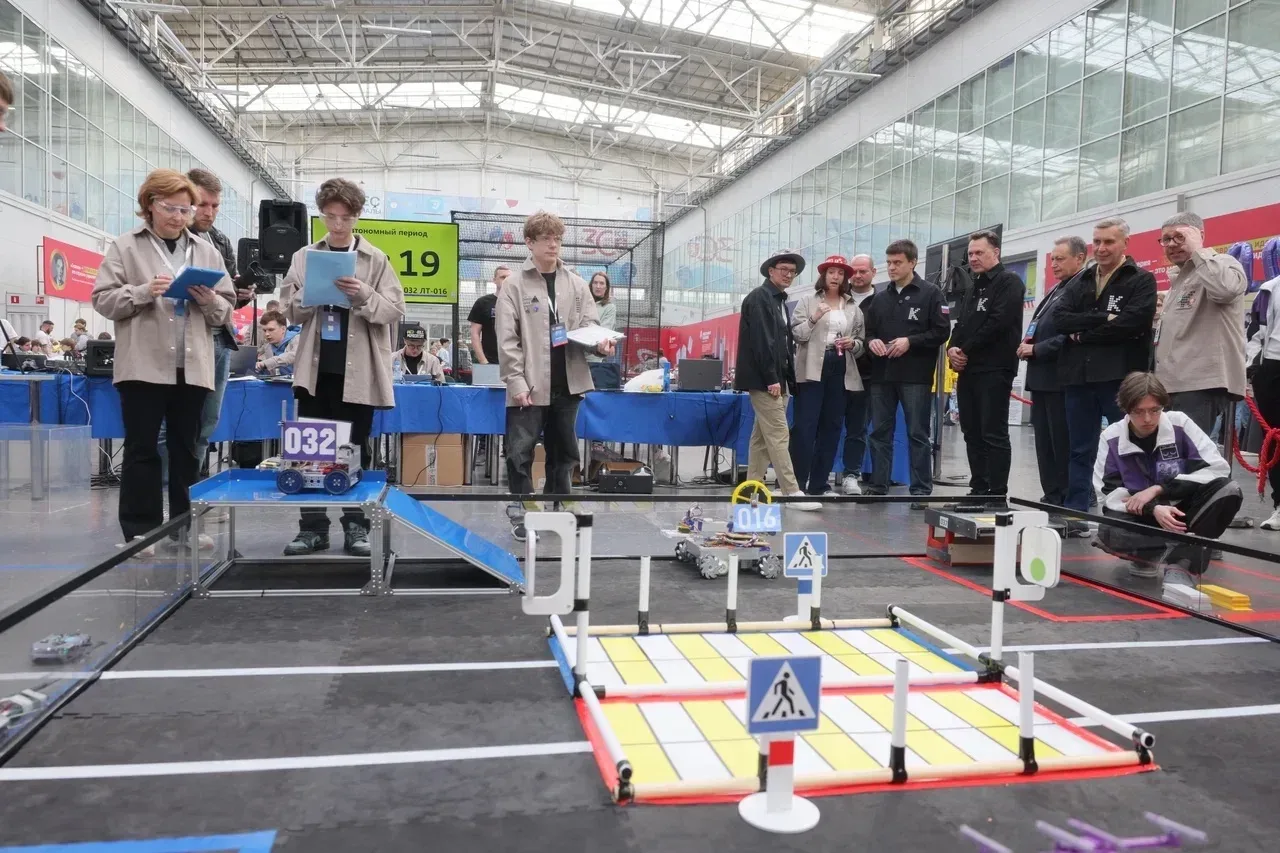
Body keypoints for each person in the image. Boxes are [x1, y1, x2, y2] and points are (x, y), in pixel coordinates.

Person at [90, 168, 236, 551]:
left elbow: (227, 308)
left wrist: (210, 300)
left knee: (187, 449)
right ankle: (141, 531)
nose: (179, 217)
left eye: (186, 210)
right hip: (143, 365)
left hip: (194, 365)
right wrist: (142, 292)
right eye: (171, 208)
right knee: (142, 448)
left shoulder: (206, 251)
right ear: (151, 205)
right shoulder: (126, 247)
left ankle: (185, 526)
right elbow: (103, 299)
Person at [279, 178, 406, 557]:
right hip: (314, 372)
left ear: (357, 216)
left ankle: (356, 527)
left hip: (359, 374)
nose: (337, 224)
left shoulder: (375, 259)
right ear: (321, 215)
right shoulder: (303, 257)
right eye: (330, 216)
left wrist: (363, 294)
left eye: (345, 218)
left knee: (353, 450)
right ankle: (313, 528)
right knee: (309, 451)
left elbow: (394, 310)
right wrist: (311, 295)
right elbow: (288, 311)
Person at [496, 211, 614, 540]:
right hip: (530, 383)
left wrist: (600, 344)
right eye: (546, 238)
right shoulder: (514, 286)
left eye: (557, 239)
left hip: (569, 380)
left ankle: (562, 500)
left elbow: (590, 324)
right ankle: (522, 507)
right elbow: (507, 340)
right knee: (520, 450)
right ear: (529, 242)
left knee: (565, 449)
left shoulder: (575, 283)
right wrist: (516, 382)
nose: (553, 245)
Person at [1094, 372, 1243, 585]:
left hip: (1183, 512)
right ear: (1126, 409)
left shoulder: (1180, 423)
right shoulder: (1111, 437)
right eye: (1139, 412)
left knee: (1228, 490)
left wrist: (1160, 489)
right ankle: (1150, 555)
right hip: (1141, 515)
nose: (1147, 419)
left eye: (1155, 410)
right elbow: (1107, 493)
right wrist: (1153, 508)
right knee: (1110, 530)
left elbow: (1217, 468)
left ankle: (1182, 561)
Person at [158, 168, 253, 492]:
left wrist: (240, 295)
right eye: (202, 204)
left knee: (206, 422)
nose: (209, 212)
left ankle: (188, 488)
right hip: (177, 339)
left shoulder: (219, 241)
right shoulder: (163, 241)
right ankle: (164, 492)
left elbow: (227, 298)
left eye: (215, 206)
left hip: (218, 340)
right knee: (169, 425)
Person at [1054, 217, 1157, 514]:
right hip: (1079, 378)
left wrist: (1082, 334)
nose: (1101, 248)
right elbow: (1060, 319)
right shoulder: (1081, 280)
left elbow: (1131, 324)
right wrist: (1102, 318)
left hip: (1120, 380)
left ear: (1125, 243)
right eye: (1097, 241)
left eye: (1109, 241)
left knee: (1129, 446)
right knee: (1079, 449)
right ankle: (1076, 511)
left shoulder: (1141, 279)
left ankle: (1134, 511)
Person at [862, 239, 950, 506]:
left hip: (915, 376)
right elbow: (869, 332)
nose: (891, 267)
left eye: (897, 262)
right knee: (879, 433)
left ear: (912, 262)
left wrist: (910, 341)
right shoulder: (879, 298)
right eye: (889, 262)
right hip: (882, 376)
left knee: (917, 434)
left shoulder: (931, 294)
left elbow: (941, 331)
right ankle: (878, 486)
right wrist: (872, 343)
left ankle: (921, 490)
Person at [732, 250, 819, 511]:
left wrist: (785, 379)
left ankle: (752, 491)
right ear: (770, 271)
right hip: (765, 380)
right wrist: (771, 378)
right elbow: (762, 341)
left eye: (792, 271)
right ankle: (791, 491)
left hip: (776, 379)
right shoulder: (760, 298)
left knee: (761, 438)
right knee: (780, 433)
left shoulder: (779, 300)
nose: (788, 274)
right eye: (783, 269)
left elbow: (781, 344)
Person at [1153, 212, 1248, 438]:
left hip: (1200, 384)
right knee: (1171, 452)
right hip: (1171, 384)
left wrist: (1198, 251)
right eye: (1166, 239)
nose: (1172, 244)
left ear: (1200, 236)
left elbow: (1225, 290)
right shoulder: (1180, 278)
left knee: (1188, 454)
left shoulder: (1223, 263)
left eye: (1180, 236)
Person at [947, 230, 1025, 497]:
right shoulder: (973, 286)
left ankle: (996, 493)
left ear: (996, 252)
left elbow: (997, 323)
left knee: (993, 432)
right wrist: (951, 349)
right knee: (971, 432)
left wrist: (964, 349)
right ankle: (978, 488)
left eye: (979, 252)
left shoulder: (1009, 282)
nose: (973, 258)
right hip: (968, 369)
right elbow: (961, 325)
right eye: (970, 253)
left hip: (995, 368)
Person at [790, 255, 866, 496]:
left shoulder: (852, 306)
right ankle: (795, 485)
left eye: (841, 273)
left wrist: (853, 343)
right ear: (823, 275)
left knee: (832, 427)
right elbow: (797, 335)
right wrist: (814, 318)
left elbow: (861, 343)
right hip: (812, 368)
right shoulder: (807, 301)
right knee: (805, 427)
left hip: (841, 366)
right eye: (831, 272)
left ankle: (819, 484)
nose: (836, 277)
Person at [1020, 236, 1087, 507]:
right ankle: (1052, 494)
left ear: (1079, 258)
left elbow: (1073, 334)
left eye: (1060, 259)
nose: (1055, 264)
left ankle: (1069, 495)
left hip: (1062, 378)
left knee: (1063, 442)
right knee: (1044, 443)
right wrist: (1027, 343)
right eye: (1053, 259)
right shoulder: (1056, 289)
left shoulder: (1082, 288)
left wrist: (1037, 349)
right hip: (1041, 378)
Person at [840, 254, 877, 495]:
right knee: (825, 427)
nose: (858, 275)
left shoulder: (882, 301)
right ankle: (815, 474)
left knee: (857, 429)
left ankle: (851, 475)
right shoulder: (836, 298)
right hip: (834, 374)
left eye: (863, 271)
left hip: (866, 376)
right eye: (854, 271)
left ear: (873, 272)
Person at [1248, 274, 1280, 531]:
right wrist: (1251, 369)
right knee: (1275, 440)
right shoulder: (1270, 289)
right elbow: (1254, 333)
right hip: (1272, 366)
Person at [585, 271, 621, 389]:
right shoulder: (583, 303)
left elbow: (604, 332)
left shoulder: (609, 307)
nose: (598, 286)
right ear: (591, 285)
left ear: (606, 288)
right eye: (595, 283)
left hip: (594, 360)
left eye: (601, 283)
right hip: (575, 359)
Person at [468, 266, 510, 366]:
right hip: (490, 361)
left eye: (509, 278)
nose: (506, 280)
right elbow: (474, 333)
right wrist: (483, 361)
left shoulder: (519, 303)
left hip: (514, 362)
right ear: (494, 280)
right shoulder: (483, 303)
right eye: (503, 277)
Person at [255, 310, 299, 375]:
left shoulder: (298, 339)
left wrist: (268, 362)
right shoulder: (267, 346)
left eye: (271, 330)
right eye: (264, 330)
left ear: (283, 329)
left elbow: (293, 356)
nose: (267, 334)